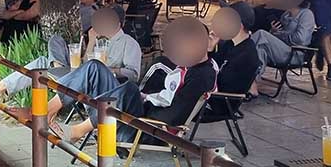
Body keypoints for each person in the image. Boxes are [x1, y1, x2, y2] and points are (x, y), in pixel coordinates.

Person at [37, 17, 218, 143]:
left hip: (144, 129)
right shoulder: (183, 66)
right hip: (129, 114)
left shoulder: (202, 75)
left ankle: (78, 131)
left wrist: (144, 101)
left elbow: (173, 117)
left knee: (129, 89)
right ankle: (47, 110)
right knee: (94, 67)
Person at [0, 7, 142, 98]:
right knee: (55, 41)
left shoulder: (129, 43)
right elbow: (85, 62)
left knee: (42, 63)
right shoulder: (99, 39)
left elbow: (133, 75)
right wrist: (91, 41)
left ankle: (57, 71)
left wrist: (108, 70)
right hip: (79, 73)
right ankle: (2, 86)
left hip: (93, 83)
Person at [249, 0, 316, 79]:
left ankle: (240, 51)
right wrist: (273, 31)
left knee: (261, 34)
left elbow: (300, 39)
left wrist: (280, 34)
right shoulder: (286, 14)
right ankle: (252, 80)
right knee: (260, 49)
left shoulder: (306, 14)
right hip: (281, 50)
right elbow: (278, 36)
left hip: (295, 53)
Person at [208, 6, 261, 95]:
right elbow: (214, 65)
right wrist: (210, 48)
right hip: (212, 90)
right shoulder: (229, 43)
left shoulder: (246, 56)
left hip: (219, 98)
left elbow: (222, 85)